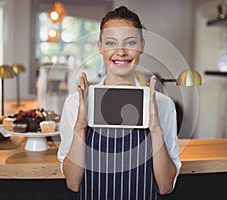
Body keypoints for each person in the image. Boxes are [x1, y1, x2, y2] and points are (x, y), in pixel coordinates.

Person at [58, 6, 181, 199]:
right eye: (111, 43)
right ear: (100, 47)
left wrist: (156, 130)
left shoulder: (163, 105)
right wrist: (80, 127)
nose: (121, 52)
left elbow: (165, 186)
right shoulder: (76, 103)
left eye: (130, 42)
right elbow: (73, 183)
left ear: (142, 46)